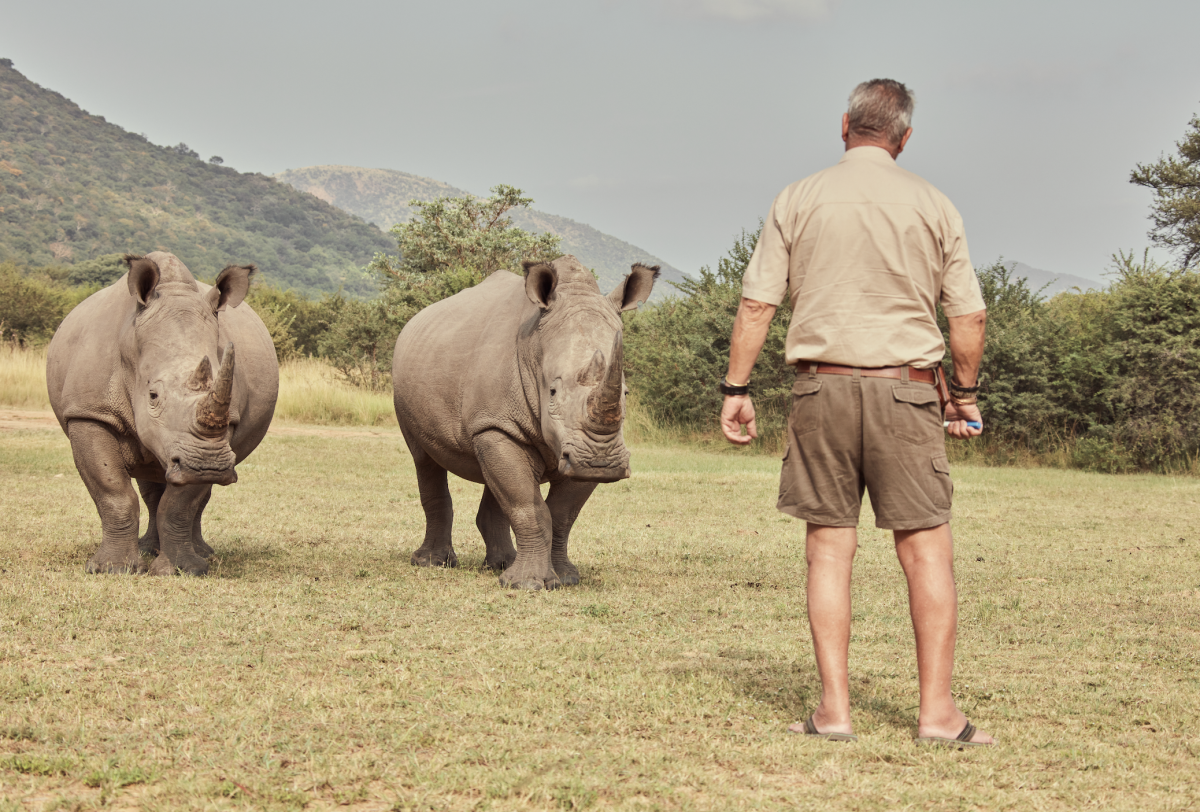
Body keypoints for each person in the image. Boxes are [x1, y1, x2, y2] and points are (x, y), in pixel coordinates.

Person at [719, 79, 993, 746]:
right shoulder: (934, 203)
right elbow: (968, 316)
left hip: (822, 390)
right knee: (926, 552)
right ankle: (937, 717)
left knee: (828, 553)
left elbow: (758, 305)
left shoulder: (797, 198)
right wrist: (963, 394)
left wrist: (737, 389)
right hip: (909, 392)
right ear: (903, 137)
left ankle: (834, 713)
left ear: (844, 126)